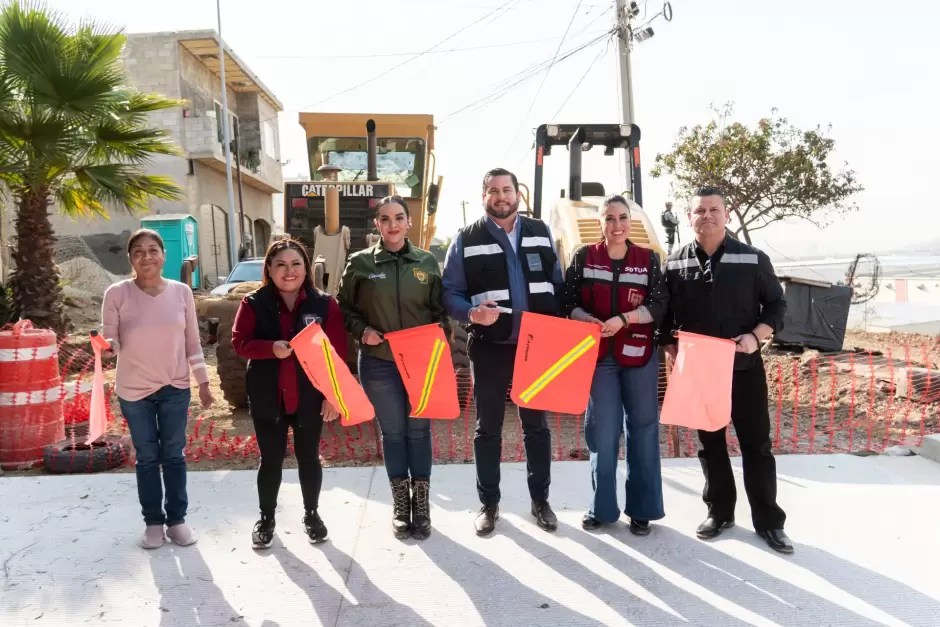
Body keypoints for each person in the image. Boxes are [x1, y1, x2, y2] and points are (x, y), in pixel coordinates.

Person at [659, 186, 792, 554]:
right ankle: (719, 513)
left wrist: (755, 336)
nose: (707, 216)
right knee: (711, 445)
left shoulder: (753, 259)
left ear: (726, 214)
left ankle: (769, 522)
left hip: (744, 367)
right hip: (700, 372)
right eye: (699, 210)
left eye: (714, 209)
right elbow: (663, 316)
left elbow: (777, 308)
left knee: (757, 446)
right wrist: (671, 347)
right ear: (689, 218)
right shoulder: (673, 263)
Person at [442, 167, 565, 536]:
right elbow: (449, 294)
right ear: (483, 196)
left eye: (507, 190)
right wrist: (470, 313)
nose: (501, 197)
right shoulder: (465, 239)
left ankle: (540, 501)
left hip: (535, 347)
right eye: (493, 190)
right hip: (491, 347)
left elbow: (558, 285)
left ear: (518, 195)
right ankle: (488, 504)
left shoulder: (541, 233)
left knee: (536, 428)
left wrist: (558, 330)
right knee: (488, 429)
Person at [337, 195, 446, 540]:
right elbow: (343, 309)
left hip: (421, 363)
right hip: (379, 363)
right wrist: (362, 331)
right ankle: (401, 506)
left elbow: (440, 310)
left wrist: (441, 333)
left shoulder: (427, 263)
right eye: (385, 219)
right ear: (377, 225)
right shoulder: (360, 263)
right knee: (394, 433)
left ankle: (422, 506)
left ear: (409, 222)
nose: (393, 224)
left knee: (419, 432)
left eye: (399, 217)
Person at [101, 229, 214, 549]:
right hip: (134, 391)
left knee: (174, 455)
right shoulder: (117, 293)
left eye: (153, 250)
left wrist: (203, 383)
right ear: (130, 259)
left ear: (164, 256)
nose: (146, 257)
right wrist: (106, 346)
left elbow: (193, 341)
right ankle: (153, 523)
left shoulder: (181, 293)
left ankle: (177, 521)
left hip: (175, 387)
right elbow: (112, 340)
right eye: (138, 252)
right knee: (148, 457)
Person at [564, 194, 669, 535]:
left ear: (630, 222)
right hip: (600, 359)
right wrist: (587, 319)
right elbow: (569, 302)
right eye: (609, 218)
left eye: (622, 217)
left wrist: (625, 319)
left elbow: (658, 304)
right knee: (603, 432)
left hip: (639, 355)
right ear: (600, 223)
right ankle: (602, 508)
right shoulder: (584, 257)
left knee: (643, 429)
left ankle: (642, 510)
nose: (617, 225)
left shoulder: (648, 259)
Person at [231, 238, 346, 549]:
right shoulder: (253, 303)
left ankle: (312, 515)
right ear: (269, 268)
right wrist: (271, 349)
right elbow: (240, 342)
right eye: (280, 264)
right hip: (269, 396)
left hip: (310, 397)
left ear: (306, 268)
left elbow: (338, 353)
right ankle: (266, 519)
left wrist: (333, 395)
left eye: (296, 263)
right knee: (270, 460)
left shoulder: (324, 304)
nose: (289, 270)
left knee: (309, 458)